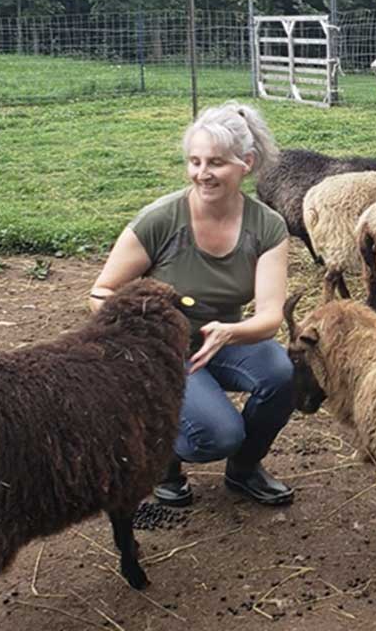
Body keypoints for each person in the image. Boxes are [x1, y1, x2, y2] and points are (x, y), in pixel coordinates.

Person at [88, 102, 295, 507]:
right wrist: (143, 328)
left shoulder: (266, 226)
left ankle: (244, 469)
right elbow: (100, 292)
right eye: (195, 161)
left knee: (283, 373)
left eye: (216, 162)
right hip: (162, 351)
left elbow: (270, 317)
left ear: (246, 164)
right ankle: (160, 457)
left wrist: (231, 331)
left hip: (220, 340)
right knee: (217, 435)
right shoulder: (162, 219)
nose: (202, 173)